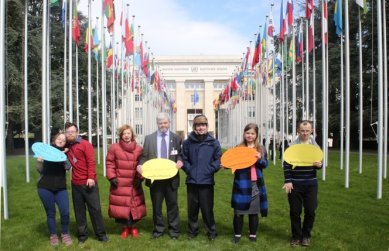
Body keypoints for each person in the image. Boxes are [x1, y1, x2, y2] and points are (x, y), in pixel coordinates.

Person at [137, 112, 183, 239]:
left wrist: (180, 160)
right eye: (160, 123)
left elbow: (179, 154)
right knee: (157, 206)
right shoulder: (149, 138)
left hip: (171, 178)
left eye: (165, 122)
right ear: (157, 124)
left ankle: (174, 231)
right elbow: (144, 156)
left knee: (172, 205)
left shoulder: (176, 138)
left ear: (169, 123)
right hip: (155, 179)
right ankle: (158, 230)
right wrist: (140, 165)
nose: (163, 125)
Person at [64, 122, 109, 244]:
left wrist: (91, 177)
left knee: (95, 210)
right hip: (76, 184)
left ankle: (101, 235)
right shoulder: (66, 147)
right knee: (79, 211)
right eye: (68, 132)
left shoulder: (85, 144)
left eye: (72, 132)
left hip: (89, 183)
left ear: (77, 132)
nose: (70, 134)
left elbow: (91, 162)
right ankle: (82, 236)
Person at [282, 120, 322, 247]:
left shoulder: (315, 147)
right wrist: (288, 181)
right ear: (298, 131)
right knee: (295, 211)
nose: (305, 133)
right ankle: (296, 237)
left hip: (311, 184)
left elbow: (319, 164)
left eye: (307, 131)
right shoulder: (292, 146)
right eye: (302, 131)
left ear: (312, 131)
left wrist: (319, 166)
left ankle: (306, 236)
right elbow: (286, 165)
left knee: (310, 211)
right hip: (295, 184)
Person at [181, 114, 222, 241]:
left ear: (207, 126)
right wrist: (189, 170)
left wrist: (210, 170)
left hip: (207, 182)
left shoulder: (214, 142)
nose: (201, 128)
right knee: (192, 209)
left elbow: (219, 159)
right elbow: (184, 158)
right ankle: (192, 231)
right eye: (198, 125)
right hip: (192, 181)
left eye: (203, 125)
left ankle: (211, 231)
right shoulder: (188, 142)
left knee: (207, 209)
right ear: (194, 127)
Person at [230, 123, 268, 244]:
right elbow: (231, 162)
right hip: (241, 183)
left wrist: (259, 159)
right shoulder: (238, 148)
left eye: (252, 133)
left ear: (256, 135)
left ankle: (252, 234)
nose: (250, 135)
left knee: (253, 212)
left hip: (255, 184)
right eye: (247, 133)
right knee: (238, 212)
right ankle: (237, 234)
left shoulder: (260, 149)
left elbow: (265, 165)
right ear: (244, 134)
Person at [106, 124, 146, 239]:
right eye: (124, 133)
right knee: (121, 207)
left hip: (134, 183)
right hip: (120, 182)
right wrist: (112, 177)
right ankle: (125, 228)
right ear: (121, 135)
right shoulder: (114, 148)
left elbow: (142, 164)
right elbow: (109, 163)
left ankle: (133, 228)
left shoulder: (139, 149)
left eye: (128, 133)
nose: (126, 136)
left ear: (132, 135)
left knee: (134, 207)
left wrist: (140, 177)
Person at [37, 133, 73, 246]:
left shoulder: (65, 154)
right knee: (50, 213)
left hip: (61, 188)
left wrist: (63, 157)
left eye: (63, 140)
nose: (61, 140)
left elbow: (68, 167)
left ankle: (65, 233)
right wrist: (39, 161)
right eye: (59, 138)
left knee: (65, 212)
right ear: (54, 139)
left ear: (65, 143)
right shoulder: (46, 151)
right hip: (45, 187)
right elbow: (40, 170)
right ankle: (53, 235)